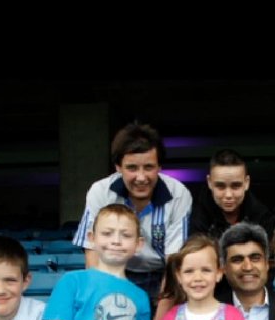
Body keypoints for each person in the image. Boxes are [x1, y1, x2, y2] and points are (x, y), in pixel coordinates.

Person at [73, 121, 192, 304]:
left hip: (162, 276)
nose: (141, 177)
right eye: (132, 168)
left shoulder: (178, 194)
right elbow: (93, 253)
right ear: (118, 167)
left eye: (149, 167)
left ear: (160, 167)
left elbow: (173, 262)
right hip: (114, 271)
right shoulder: (101, 192)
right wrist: (101, 300)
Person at [189, 149, 275, 240]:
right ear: (209, 182)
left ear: (246, 183)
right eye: (221, 186)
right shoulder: (198, 217)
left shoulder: (262, 217)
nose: (228, 195)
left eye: (236, 186)